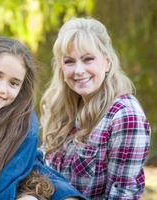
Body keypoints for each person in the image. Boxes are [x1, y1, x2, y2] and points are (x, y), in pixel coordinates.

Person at [0, 37, 87, 200]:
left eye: (13, 83)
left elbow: (10, 179)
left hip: (33, 181)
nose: (2, 89)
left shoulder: (25, 121)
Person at [40, 17, 151, 199]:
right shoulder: (60, 110)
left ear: (107, 62)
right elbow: (43, 177)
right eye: (69, 61)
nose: (78, 70)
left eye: (88, 59)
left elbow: (123, 195)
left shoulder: (125, 115)